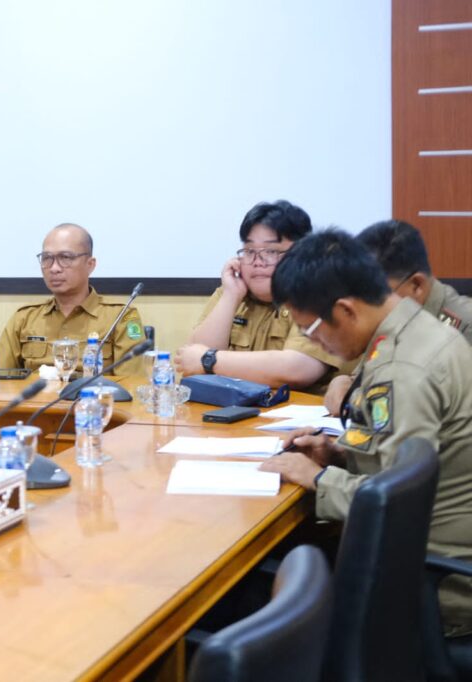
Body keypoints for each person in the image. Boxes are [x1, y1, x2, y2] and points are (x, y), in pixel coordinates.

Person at [259, 229, 472, 637]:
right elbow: (409, 456)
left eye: (310, 329)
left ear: (345, 310)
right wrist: (336, 454)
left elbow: (397, 499)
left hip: (433, 585)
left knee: (255, 603)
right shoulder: (415, 332)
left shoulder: (402, 368)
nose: (315, 342)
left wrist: (319, 478)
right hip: (430, 555)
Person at [175, 200, 349, 391]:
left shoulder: (319, 294)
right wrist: (231, 296)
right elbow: (192, 361)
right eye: (250, 251)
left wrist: (210, 360)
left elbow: (297, 369)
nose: (258, 261)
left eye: (271, 251)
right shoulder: (233, 291)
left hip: (298, 408)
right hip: (234, 406)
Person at [323, 219, 472, 415]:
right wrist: (342, 383)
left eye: (374, 296)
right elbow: (363, 378)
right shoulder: (392, 319)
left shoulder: (463, 326)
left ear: (416, 285)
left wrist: (359, 400)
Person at [0, 223, 146, 375]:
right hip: (36, 390)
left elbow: (130, 382)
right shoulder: (25, 318)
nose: (54, 268)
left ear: (90, 265)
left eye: (65, 257)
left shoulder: (121, 317)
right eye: (47, 258)